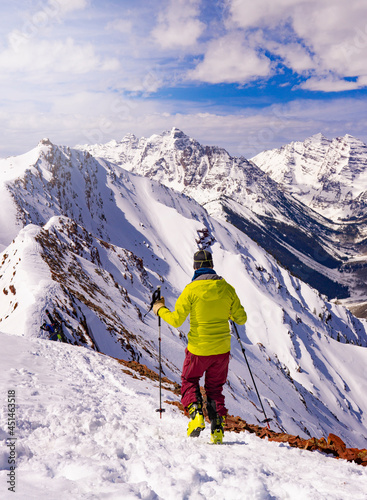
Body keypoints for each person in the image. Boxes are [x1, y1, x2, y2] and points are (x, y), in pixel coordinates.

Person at [153, 249, 247, 443]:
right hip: (221, 351)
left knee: (189, 380)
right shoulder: (227, 289)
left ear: (195, 267)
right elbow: (241, 318)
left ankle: (196, 416)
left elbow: (177, 320)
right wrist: (226, 313)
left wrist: (160, 309)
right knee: (214, 388)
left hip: (198, 349)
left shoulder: (191, 290)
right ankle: (217, 427)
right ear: (211, 265)